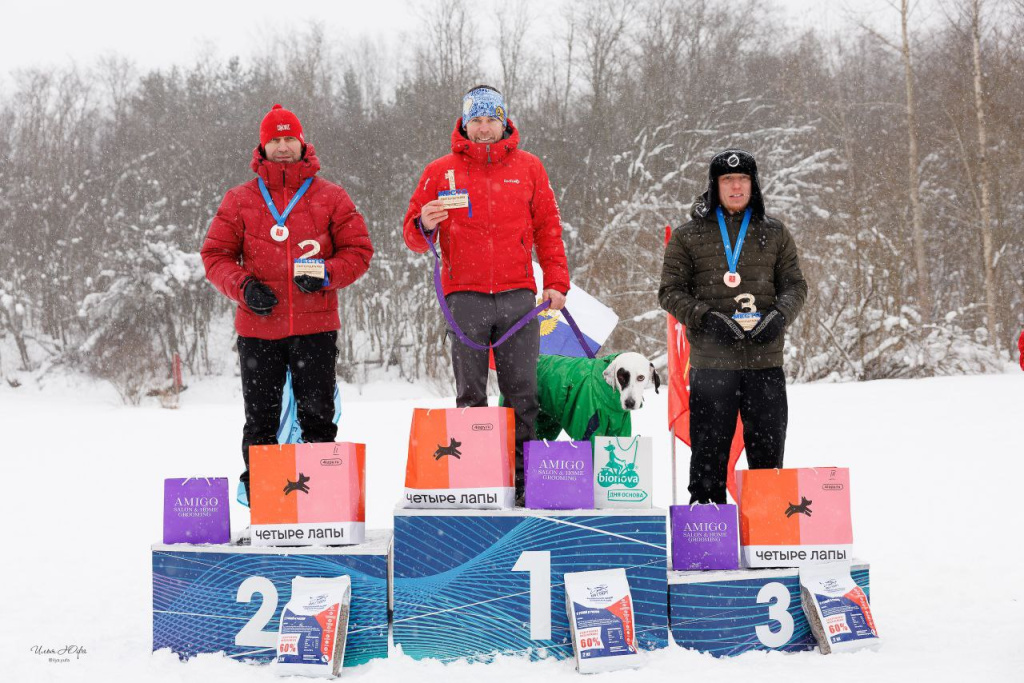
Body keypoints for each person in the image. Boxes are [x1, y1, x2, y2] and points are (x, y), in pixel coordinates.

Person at [403, 85, 570, 504]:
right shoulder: (441, 171)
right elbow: (412, 234)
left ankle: (525, 483)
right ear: (464, 122)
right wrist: (424, 222)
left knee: (522, 394)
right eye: (475, 120)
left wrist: (556, 281)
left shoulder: (530, 167)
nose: (483, 128)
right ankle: (476, 483)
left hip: (518, 296)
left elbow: (549, 228)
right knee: (470, 396)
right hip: (464, 296)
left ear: (504, 120)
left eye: (490, 119)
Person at [201, 104, 374, 502]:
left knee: (318, 420)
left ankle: (321, 505)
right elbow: (215, 257)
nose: (282, 147)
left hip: (315, 328)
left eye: (288, 138)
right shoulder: (240, 199)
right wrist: (244, 287)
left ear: (302, 142)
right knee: (259, 422)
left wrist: (327, 273)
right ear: (263, 145)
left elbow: (359, 251)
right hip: (258, 331)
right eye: (274, 140)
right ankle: (266, 507)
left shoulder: (330, 196)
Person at [659, 149, 807, 504]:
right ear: (715, 186)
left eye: (743, 180)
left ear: (754, 185)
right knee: (708, 459)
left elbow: (795, 286)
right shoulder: (688, 235)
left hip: (765, 365)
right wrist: (706, 318)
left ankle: (768, 542)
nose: (736, 186)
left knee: (768, 461)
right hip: (712, 366)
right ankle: (709, 541)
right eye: (728, 180)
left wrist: (780, 316)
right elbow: (669, 292)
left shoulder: (775, 233)